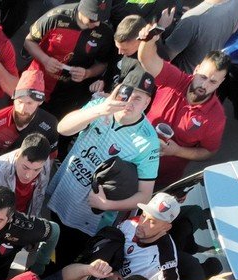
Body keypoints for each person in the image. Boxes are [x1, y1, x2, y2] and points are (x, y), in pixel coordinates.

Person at [44, 83, 160, 260]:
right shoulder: (99, 107)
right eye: (126, 94)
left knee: (64, 260)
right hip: (62, 197)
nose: (129, 102)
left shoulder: (148, 141)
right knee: (45, 251)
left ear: (147, 102)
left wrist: (107, 205)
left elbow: (144, 195)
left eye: (137, 98)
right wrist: (100, 110)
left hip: (89, 218)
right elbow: (63, 128)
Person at [137, 35, 228, 187]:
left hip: (161, 176)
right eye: (203, 77)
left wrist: (177, 151)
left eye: (213, 82)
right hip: (133, 153)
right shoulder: (175, 79)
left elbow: (209, 152)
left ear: (221, 83)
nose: (204, 86)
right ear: (196, 69)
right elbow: (147, 59)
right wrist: (148, 39)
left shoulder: (216, 117)